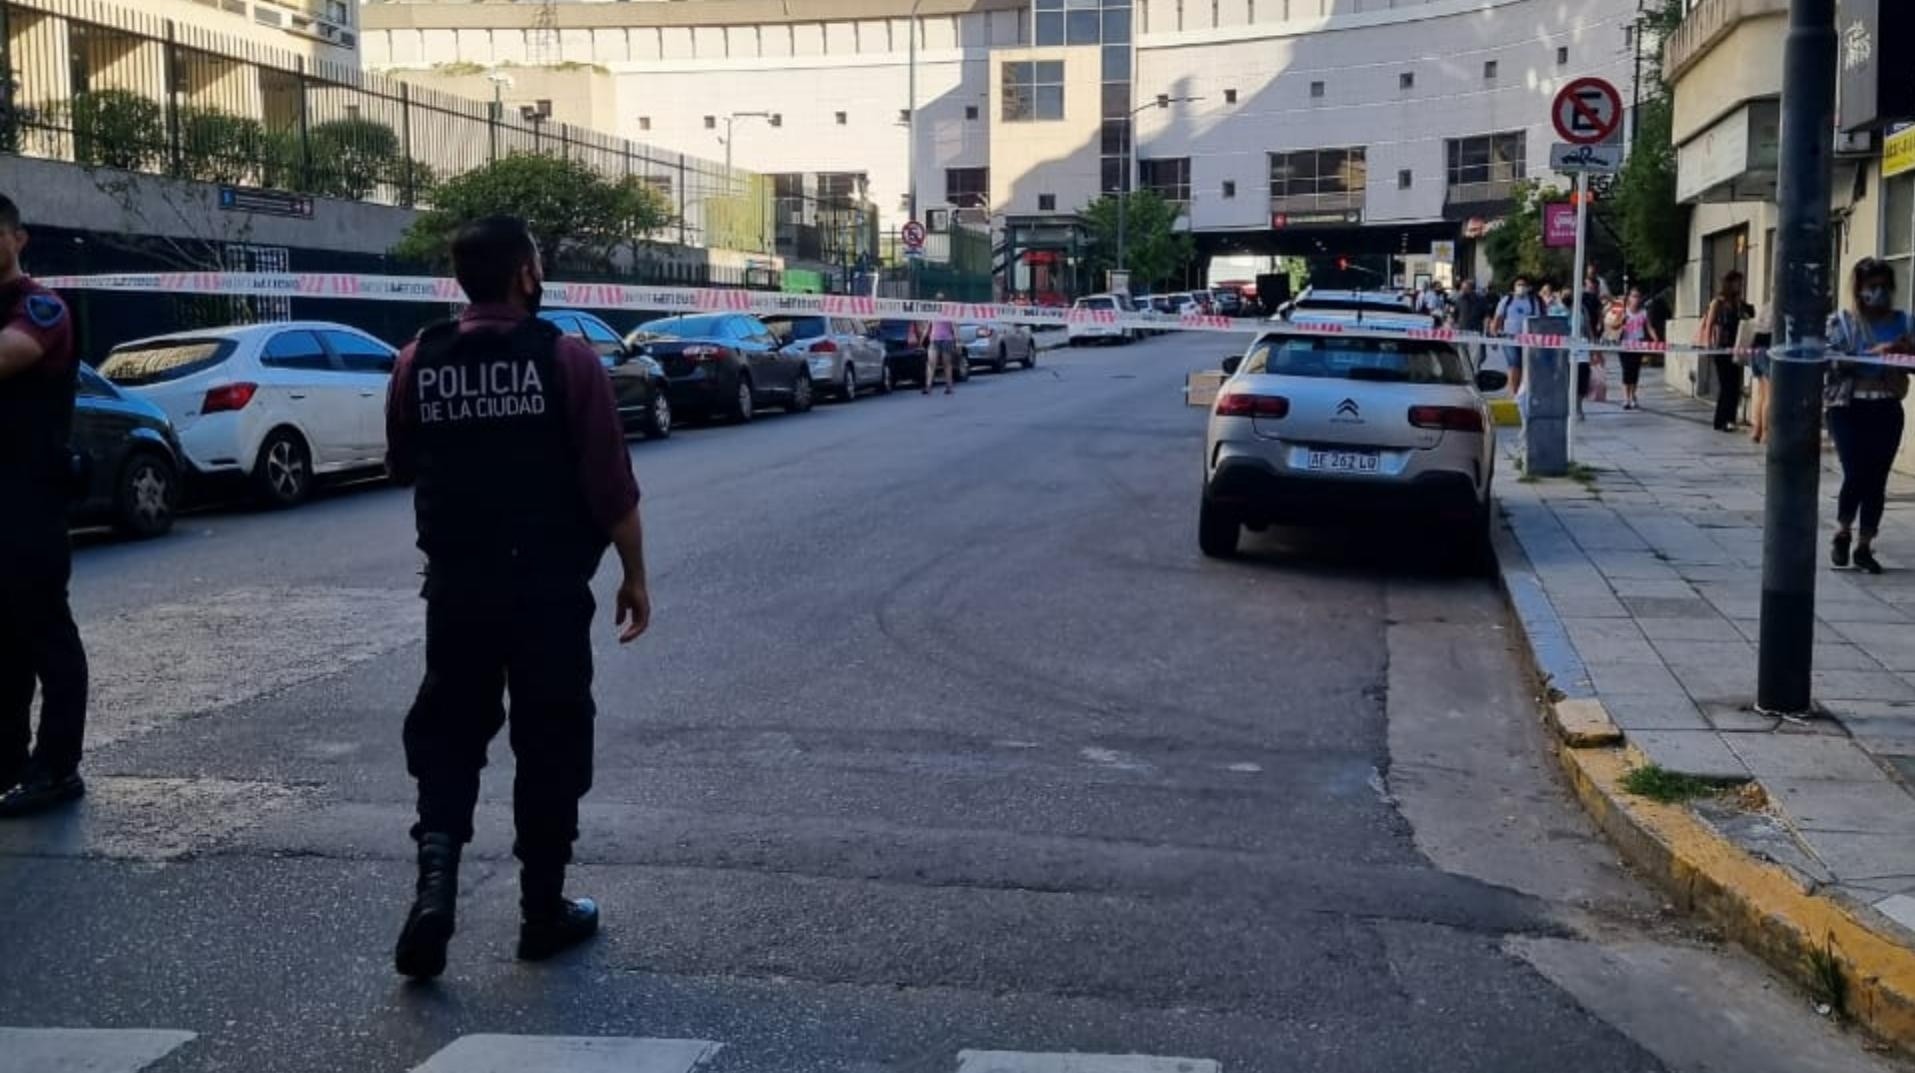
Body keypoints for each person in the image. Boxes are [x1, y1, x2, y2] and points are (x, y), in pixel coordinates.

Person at [384, 215, 651, 979]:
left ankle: (434, 889)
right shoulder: (566, 360)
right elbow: (611, 486)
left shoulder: (415, 361)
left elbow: (402, 462)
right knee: (552, 738)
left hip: (457, 588)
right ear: (526, 276)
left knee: (449, 733)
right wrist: (634, 575)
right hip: (546, 588)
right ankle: (542, 911)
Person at [0, 193, 87, 820]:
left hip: (28, 495)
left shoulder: (40, 306)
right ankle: (9, 761)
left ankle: (58, 766)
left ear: (18, 238)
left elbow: (11, 355)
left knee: (42, 629)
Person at [1825, 258, 1913, 575]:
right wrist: (1873, 353)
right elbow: (1829, 360)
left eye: (1884, 287)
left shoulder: (1904, 321)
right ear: (1859, 290)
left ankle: (1865, 544)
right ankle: (1842, 530)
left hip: (1886, 406)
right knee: (1856, 470)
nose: (1879, 293)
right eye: (1872, 287)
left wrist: (1903, 352)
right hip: (1848, 407)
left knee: (1877, 478)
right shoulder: (1843, 322)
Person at [1700, 270, 1755, 431]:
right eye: (1738, 282)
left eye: (1741, 283)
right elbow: (1710, 323)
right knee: (1726, 385)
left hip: (1737, 347)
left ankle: (1730, 418)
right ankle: (1721, 420)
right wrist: (1709, 343)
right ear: (1730, 283)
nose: (1740, 286)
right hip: (1722, 348)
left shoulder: (1739, 303)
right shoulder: (1718, 302)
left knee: (1734, 384)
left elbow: (1748, 319)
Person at [1492, 275, 1541, 396]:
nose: (1521, 287)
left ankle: (1519, 393)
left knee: (1524, 367)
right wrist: (1493, 335)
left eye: (1523, 285)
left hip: (1527, 339)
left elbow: (1537, 320)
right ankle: (1513, 392)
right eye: (1518, 285)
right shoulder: (1507, 300)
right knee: (1514, 364)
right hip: (1509, 337)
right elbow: (1498, 317)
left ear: (1528, 287)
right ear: (1514, 287)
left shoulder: (1533, 301)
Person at [1614, 287, 1659, 412]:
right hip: (1624, 345)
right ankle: (1626, 398)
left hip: (1638, 344)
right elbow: (1614, 326)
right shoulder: (1624, 312)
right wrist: (1622, 322)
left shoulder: (1643, 313)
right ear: (1629, 298)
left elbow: (1649, 327)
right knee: (1626, 371)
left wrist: (1656, 340)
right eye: (1633, 296)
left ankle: (1633, 395)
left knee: (1635, 372)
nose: (1636, 299)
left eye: (1638, 296)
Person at [923, 295, 957, 396]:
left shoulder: (949, 312)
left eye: (941, 300)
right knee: (931, 363)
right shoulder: (932, 312)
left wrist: (957, 340)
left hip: (946, 340)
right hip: (934, 340)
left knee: (946, 363)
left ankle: (949, 386)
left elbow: (954, 325)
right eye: (938, 300)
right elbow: (928, 326)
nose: (939, 302)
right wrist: (922, 338)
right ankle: (928, 387)